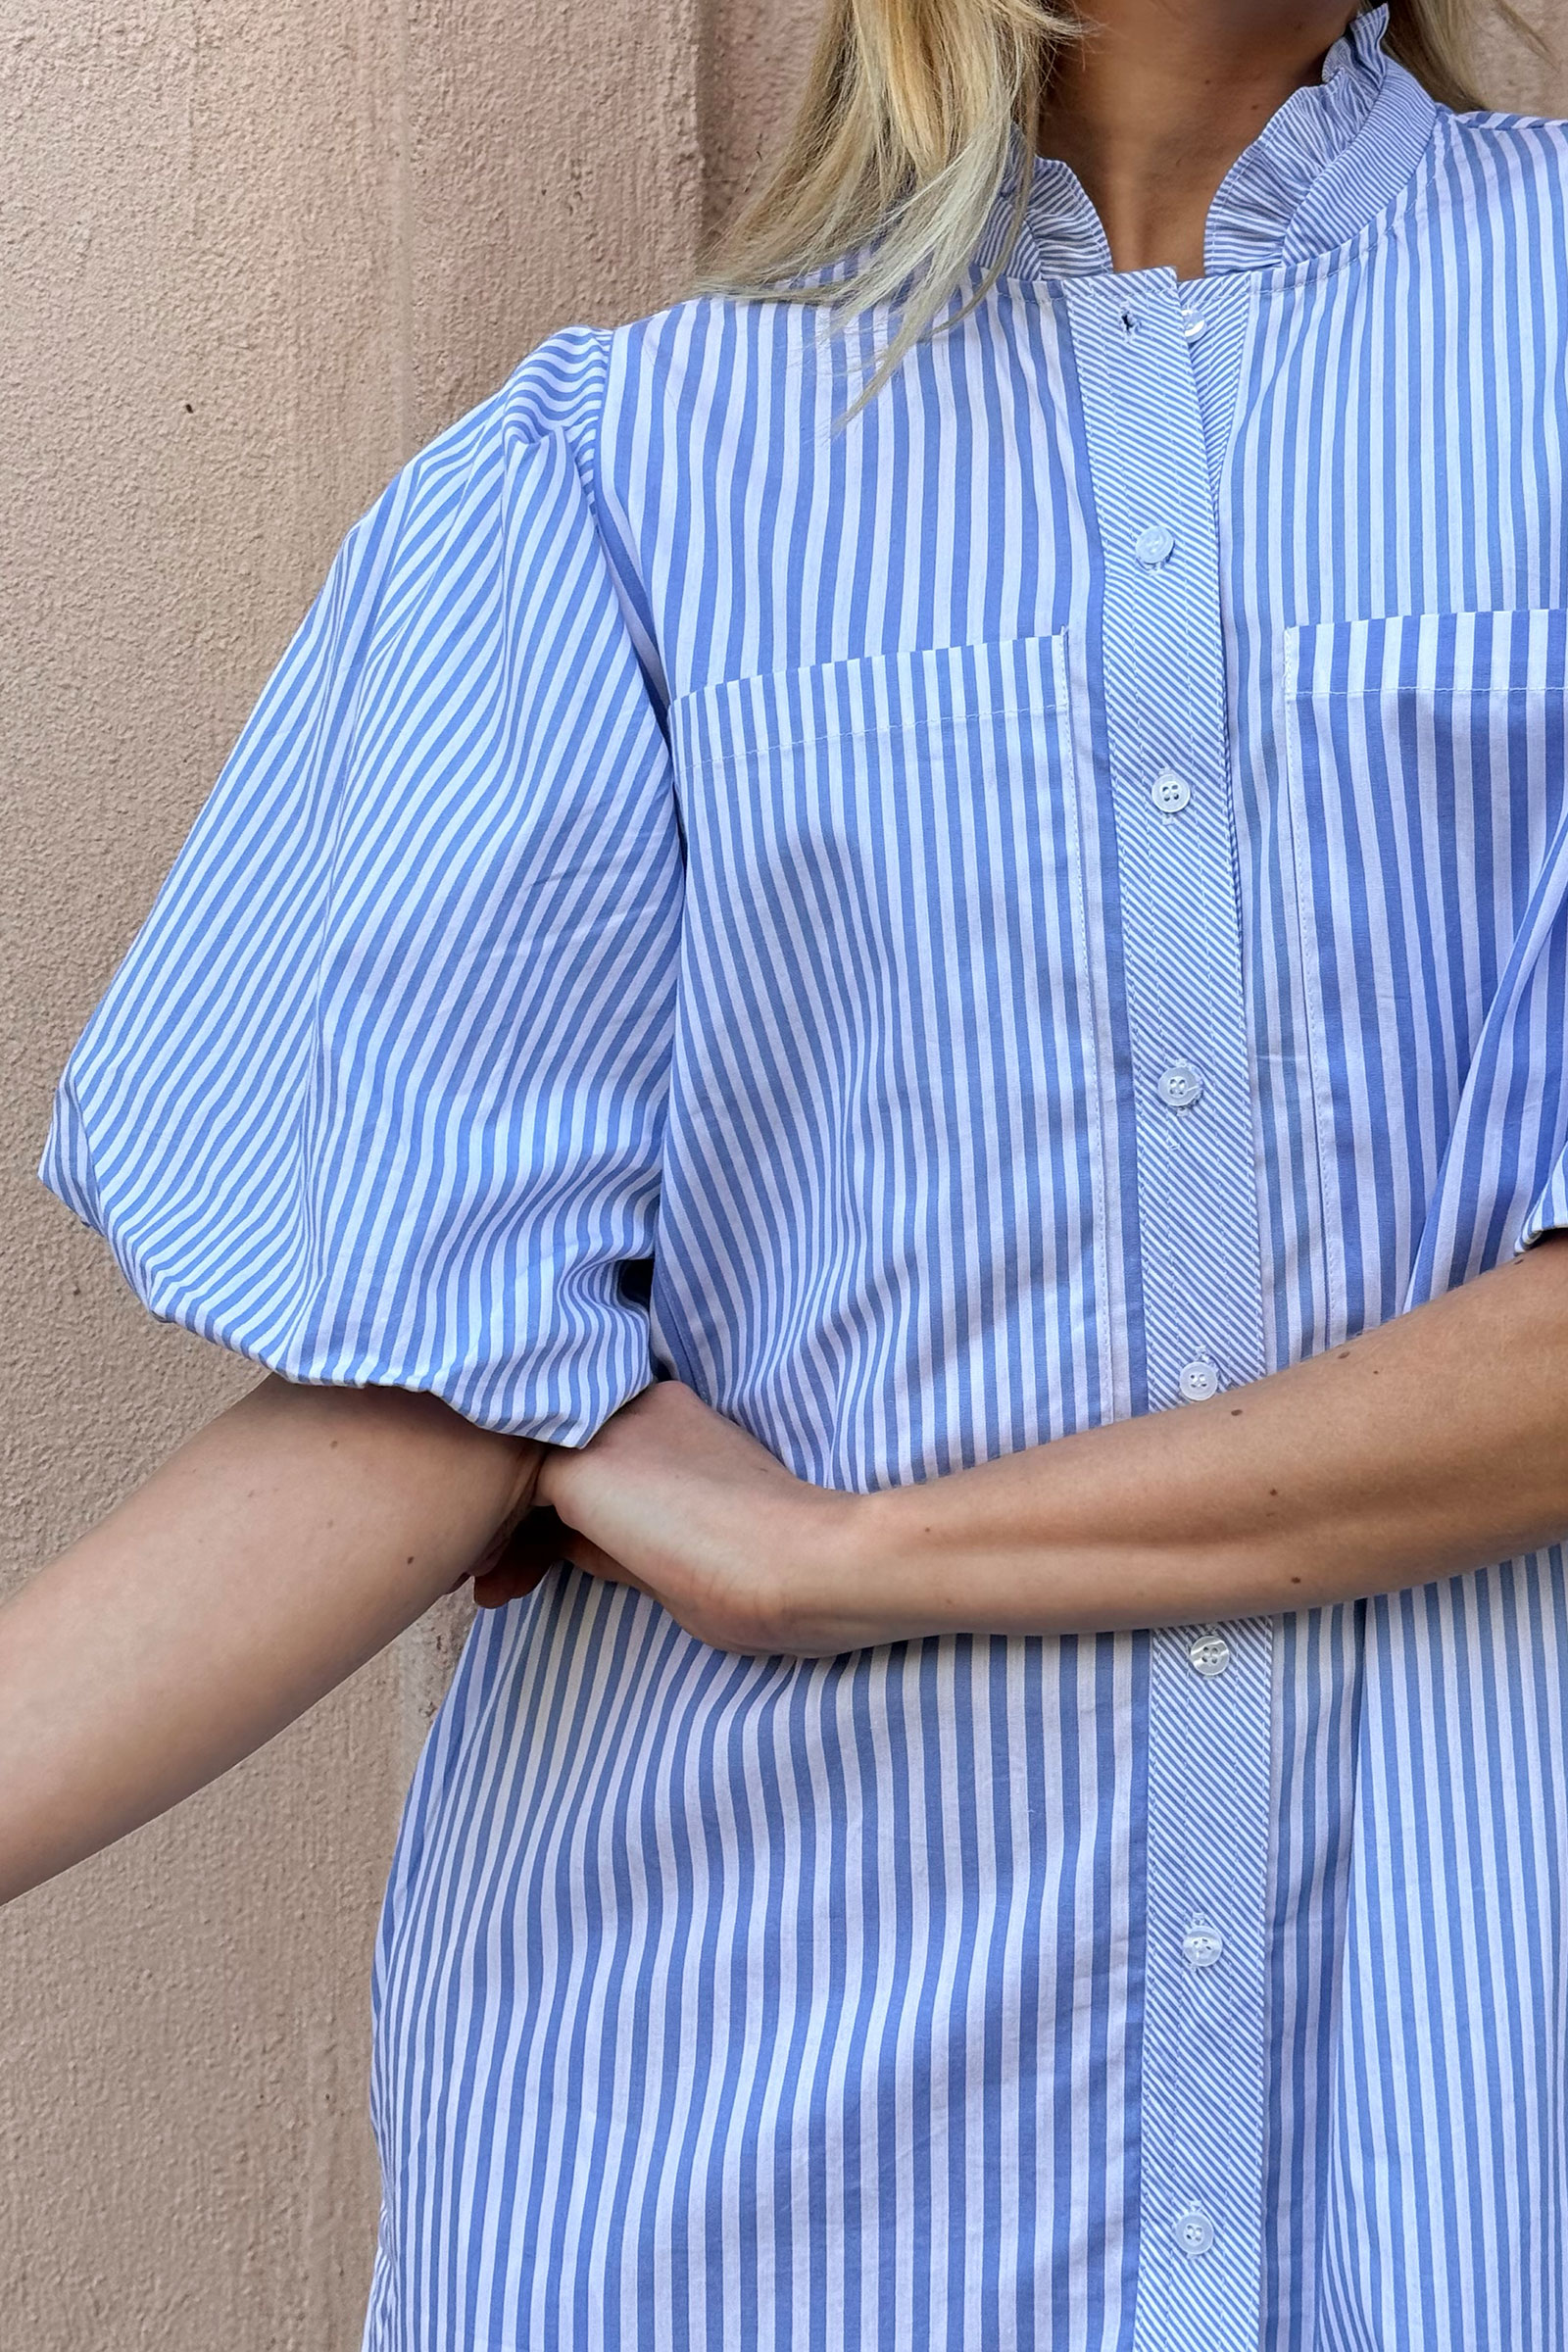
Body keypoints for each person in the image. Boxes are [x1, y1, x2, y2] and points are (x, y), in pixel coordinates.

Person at [7, 0, 1568, 2342]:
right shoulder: (610, 485)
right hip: (736, 2145)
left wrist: (846, 1558)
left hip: (1459, 2122)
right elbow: (433, 1388)